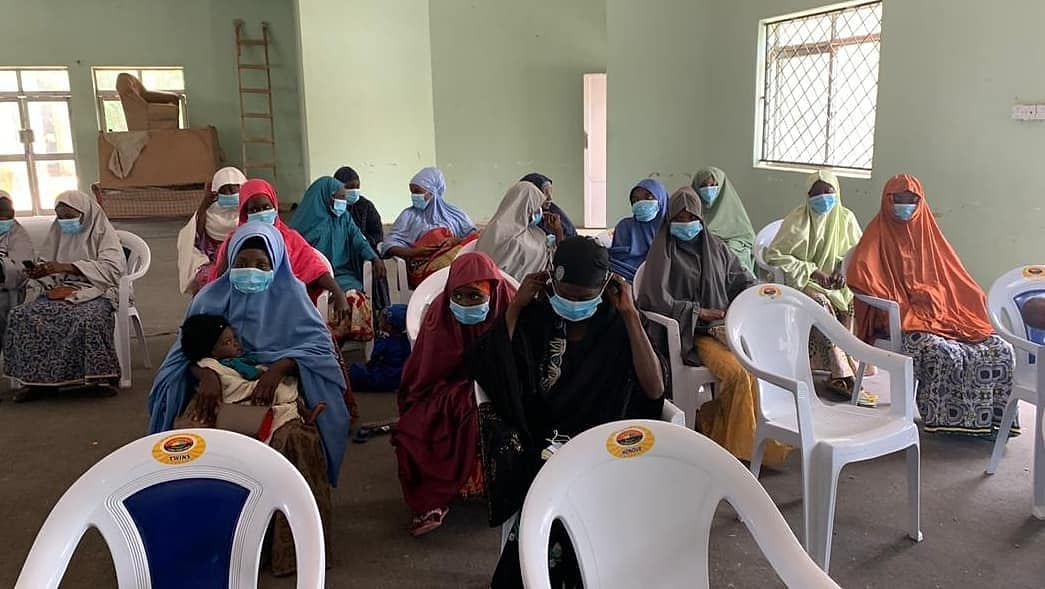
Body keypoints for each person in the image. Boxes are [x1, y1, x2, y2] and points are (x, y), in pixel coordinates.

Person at [149, 223, 349, 576]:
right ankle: (210, 546)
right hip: (219, 389)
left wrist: (279, 368)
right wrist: (205, 374)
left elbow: (320, 353)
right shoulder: (209, 298)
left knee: (294, 441)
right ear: (229, 263)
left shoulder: (293, 298)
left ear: (276, 265)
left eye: (261, 264)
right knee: (194, 439)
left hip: (277, 389)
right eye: (242, 263)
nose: (250, 271)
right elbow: (184, 352)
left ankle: (290, 550)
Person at [468, 237, 666, 587]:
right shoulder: (536, 317)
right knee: (556, 484)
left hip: (605, 441)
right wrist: (515, 307)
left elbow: (654, 389)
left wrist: (631, 315)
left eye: (583, 297)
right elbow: (493, 369)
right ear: (550, 280)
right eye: (567, 294)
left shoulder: (615, 323)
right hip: (544, 439)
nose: (573, 304)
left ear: (605, 287)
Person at [847, 174, 1016, 437]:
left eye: (912, 200)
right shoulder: (876, 234)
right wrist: (903, 302)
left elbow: (954, 277)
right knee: (940, 352)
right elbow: (862, 275)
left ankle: (989, 421)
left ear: (921, 202)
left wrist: (944, 300)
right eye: (898, 199)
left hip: (942, 314)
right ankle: (947, 420)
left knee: (1000, 349)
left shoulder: (929, 234)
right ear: (887, 200)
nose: (905, 206)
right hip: (904, 321)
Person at [637, 187, 789, 465]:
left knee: (759, 366)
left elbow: (742, 280)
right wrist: (700, 312)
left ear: (700, 218)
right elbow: (655, 300)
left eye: (691, 218)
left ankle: (717, 427)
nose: (686, 224)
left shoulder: (716, 248)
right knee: (737, 373)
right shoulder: (663, 253)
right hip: (692, 333)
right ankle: (737, 451)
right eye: (679, 218)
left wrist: (754, 297)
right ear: (670, 220)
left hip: (723, 328)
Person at [392, 252, 516, 536]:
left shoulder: (508, 309)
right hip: (444, 389)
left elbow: (518, 370)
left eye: (474, 296)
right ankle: (432, 501)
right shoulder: (440, 315)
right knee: (415, 429)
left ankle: (488, 489)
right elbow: (422, 375)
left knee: (478, 415)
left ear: (492, 293)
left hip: (501, 391)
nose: (464, 303)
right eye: (457, 296)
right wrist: (459, 395)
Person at [4, 191, 125, 401]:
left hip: (95, 290)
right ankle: (38, 383)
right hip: (59, 289)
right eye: (60, 217)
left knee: (87, 317)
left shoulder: (102, 234)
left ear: (85, 213)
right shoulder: (57, 233)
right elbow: (47, 262)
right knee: (22, 315)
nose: (65, 222)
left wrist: (67, 267)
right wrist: (41, 272)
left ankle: (96, 379)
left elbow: (113, 270)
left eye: (69, 216)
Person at [764, 170, 864, 398]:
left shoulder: (846, 219)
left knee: (851, 301)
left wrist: (841, 271)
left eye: (828, 192)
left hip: (836, 282)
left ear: (837, 193)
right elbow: (775, 255)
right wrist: (813, 271)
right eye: (816, 193)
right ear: (808, 196)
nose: (823, 198)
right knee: (819, 304)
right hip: (804, 280)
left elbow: (857, 252)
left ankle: (850, 361)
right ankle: (840, 372)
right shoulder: (797, 220)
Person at [205, 178, 351, 315]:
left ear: (274, 207)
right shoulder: (234, 241)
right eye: (254, 210)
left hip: (287, 308)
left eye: (266, 207)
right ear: (244, 213)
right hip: (242, 309)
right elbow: (219, 281)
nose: (261, 213)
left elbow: (315, 268)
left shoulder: (291, 239)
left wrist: (338, 293)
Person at [178, 313, 309, 444]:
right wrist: (207, 376)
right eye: (228, 342)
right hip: (239, 398)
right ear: (212, 352)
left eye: (235, 338)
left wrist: (278, 368)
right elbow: (249, 377)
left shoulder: (239, 358)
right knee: (282, 392)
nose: (236, 344)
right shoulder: (216, 365)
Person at [290, 176, 386, 339]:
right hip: (314, 280)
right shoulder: (303, 225)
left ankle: (345, 339)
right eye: (339, 197)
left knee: (356, 299)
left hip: (343, 275)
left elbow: (358, 239)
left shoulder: (344, 218)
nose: (343, 202)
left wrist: (374, 257)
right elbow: (300, 261)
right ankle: (327, 341)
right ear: (325, 197)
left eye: (344, 198)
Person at [379, 167, 477, 288]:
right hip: (422, 266)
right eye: (412, 192)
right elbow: (389, 244)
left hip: (453, 263)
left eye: (418, 191)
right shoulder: (408, 215)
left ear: (432, 191)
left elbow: (472, 239)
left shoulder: (456, 214)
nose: (414, 196)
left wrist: (456, 241)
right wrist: (413, 252)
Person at [176, 166, 247, 294]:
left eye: (233, 190)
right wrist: (204, 205)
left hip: (242, 257)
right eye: (224, 191)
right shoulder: (208, 213)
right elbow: (197, 236)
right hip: (213, 260)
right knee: (205, 279)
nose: (229, 194)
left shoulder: (249, 210)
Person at [476, 182, 558, 280]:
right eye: (535, 208)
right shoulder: (519, 239)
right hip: (512, 287)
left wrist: (558, 231)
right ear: (525, 205)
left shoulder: (490, 230)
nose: (538, 212)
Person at [691, 167, 757, 274]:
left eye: (713, 185)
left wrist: (727, 248)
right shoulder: (691, 206)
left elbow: (746, 238)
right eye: (703, 186)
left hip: (728, 249)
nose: (708, 190)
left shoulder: (732, 207)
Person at [608, 178, 669, 281]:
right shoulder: (624, 226)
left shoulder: (670, 230)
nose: (641, 203)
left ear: (662, 199)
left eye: (649, 197)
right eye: (635, 200)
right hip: (624, 281)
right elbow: (616, 262)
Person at [0, 191, 35, 350]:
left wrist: (3, 266)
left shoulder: (18, 234)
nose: (4, 220)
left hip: (6, 294)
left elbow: (22, 268)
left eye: (8, 216)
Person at [348, 304, 411, 392]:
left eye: (382, 319)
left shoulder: (383, 342)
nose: (379, 320)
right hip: (401, 378)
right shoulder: (407, 341)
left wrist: (367, 366)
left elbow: (373, 360)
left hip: (383, 378)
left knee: (356, 369)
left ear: (389, 326)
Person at [334, 165, 384, 248]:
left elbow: (377, 233)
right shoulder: (332, 205)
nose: (354, 191)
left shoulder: (366, 206)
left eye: (357, 187)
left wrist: (362, 241)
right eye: (349, 187)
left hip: (362, 249)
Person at [520, 172, 578, 238]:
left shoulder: (553, 212)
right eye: (544, 193)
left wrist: (558, 230)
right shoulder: (521, 221)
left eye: (551, 192)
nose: (550, 198)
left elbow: (571, 237)